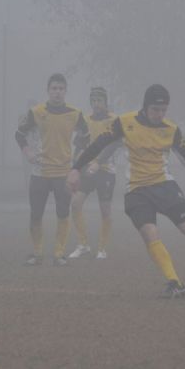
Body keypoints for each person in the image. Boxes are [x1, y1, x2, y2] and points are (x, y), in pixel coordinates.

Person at [67, 84, 185, 298]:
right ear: (145, 107)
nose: (160, 115)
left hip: (164, 185)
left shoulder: (171, 129)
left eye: (164, 110)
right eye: (156, 110)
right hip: (136, 190)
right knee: (149, 232)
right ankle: (175, 283)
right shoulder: (124, 123)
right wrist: (76, 168)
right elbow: (97, 145)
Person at [15, 73, 89, 266]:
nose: (57, 92)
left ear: (65, 91)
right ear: (48, 91)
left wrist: (77, 158)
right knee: (36, 213)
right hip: (40, 172)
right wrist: (28, 151)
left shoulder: (75, 113)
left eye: (61, 89)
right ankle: (38, 253)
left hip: (63, 173)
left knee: (63, 213)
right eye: (54, 88)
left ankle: (59, 253)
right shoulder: (36, 112)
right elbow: (19, 133)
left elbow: (86, 136)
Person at [69, 87, 120, 259]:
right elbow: (80, 144)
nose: (96, 104)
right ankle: (83, 244)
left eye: (99, 100)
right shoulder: (86, 120)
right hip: (87, 170)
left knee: (105, 211)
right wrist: (74, 167)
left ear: (105, 102)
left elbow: (113, 145)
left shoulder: (114, 120)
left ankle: (102, 248)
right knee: (75, 204)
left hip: (106, 171)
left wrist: (99, 162)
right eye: (94, 100)